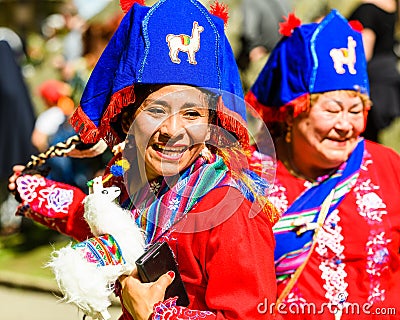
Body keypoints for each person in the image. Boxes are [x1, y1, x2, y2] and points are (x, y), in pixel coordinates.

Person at [8, 0, 279, 319]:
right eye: (156, 110)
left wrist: (156, 314)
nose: (173, 130)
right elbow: (109, 229)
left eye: (191, 114)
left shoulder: (230, 211)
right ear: (127, 121)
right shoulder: (132, 183)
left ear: (210, 126)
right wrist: (37, 194)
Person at [245, 10, 400, 319]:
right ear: (291, 113)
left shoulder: (388, 167)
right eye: (331, 110)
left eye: (355, 110)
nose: (345, 125)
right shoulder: (247, 178)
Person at [348, 0, 400, 142]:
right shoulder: (391, 6)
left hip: (370, 84)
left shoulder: (368, 10)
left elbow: (362, 54)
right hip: (386, 83)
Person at [0, 38, 36, 235]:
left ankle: (20, 221)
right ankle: (24, 220)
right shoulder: (14, 78)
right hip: (23, 133)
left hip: (10, 136)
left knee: (14, 176)